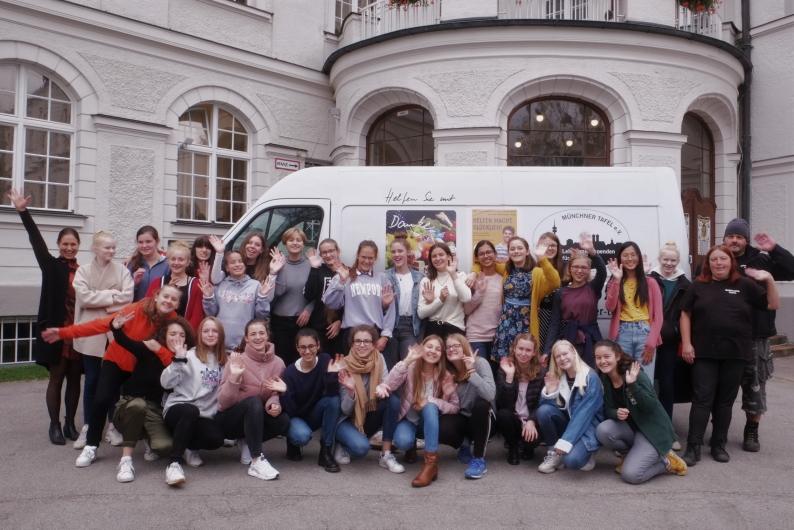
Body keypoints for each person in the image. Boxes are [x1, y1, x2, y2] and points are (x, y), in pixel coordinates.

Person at [41, 284, 181, 468]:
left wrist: (160, 351)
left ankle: (148, 438)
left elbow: (176, 352)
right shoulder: (135, 310)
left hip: (141, 369)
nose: (168, 301)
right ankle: (91, 445)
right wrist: (64, 332)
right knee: (102, 399)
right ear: (156, 296)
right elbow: (99, 325)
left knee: (147, 403)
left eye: (173, 299)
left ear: (177, 304)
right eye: (166, 296)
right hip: (116, 361)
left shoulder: (173, 321)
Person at [680, 245, 779, 465]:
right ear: (708, 263)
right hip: (704, 353)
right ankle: (693, 447)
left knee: (725, 402)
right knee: (702, 399)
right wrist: (686, 343)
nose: (719, 263)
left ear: (731, 262)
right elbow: (685, 314)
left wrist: (769, 280)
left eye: (723, 259)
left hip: (736, 353)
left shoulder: (745, 285)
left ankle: (719, 445)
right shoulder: (698, 285)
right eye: (714, 259)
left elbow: (773, 304)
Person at [8, 188, 83, 445]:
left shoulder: (84, 272)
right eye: (65, 244)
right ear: (59, 246)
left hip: (78, 334)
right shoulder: (51, 266)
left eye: (73, 244)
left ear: (78, 246)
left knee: (75, 380)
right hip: (56, 333)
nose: (69, 248)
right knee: (57, 378)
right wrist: (23, 212)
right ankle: (54, 425)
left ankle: (70, 424)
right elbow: (35, 240)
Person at [722, 219, 794, 452]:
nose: (734, 240)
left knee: (755, 387)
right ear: (724, 239)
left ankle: (751, 430)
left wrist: (774, 249)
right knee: (721, 387)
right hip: (724, 337)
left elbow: (792, 270)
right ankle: (719, 429)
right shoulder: (718, 258)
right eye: (731, 236)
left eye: (739, 237)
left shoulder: (761, 259)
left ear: (745, 240)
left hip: (755, 336)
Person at [108, 314, 194, 483]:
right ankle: (126, 461)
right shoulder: (150, 349)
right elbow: (126, 342)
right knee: (138, 406)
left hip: (154, 410)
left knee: (165, 447)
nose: (177, 338)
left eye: (181, 335)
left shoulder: (185, 359)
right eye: (172, 334)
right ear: (164, 335)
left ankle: (147, 437)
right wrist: (116, 328)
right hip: (130, 404)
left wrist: (179, 359)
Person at [72, 230, 135, 449]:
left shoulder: (122, 270)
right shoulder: (83, 271)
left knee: (114, 381)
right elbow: (83, 298)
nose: (112, 251)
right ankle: (89, 426)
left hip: (115, 332)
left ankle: (113, 426)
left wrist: (98, 295)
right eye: (107, 247)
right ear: (95, 248)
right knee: (92, 380)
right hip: (91, 332)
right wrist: (111, 295)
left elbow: (127, 297)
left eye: (113, 247)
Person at [594, 340, 688, 484]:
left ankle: (667, 462)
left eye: (606, 356)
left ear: (617, 356)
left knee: (631, 475)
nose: (602, 361)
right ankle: (628, 456)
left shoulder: (635, 374)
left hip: (652, 431)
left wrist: (632, 385)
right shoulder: (605, 377)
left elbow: (651, 406)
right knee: (603, 430)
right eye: (598, 357)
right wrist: (615, 413)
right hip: (633, 428)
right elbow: (608, 409)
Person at [378, 335, 460, 488]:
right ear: (422, 348)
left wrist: (433, 400)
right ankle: (411, 446)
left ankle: (430, 464)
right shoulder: (411, 368)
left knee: (430, 407)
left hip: (428, 423)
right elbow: (389, 384)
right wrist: (407, 361)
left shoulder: (445, 375)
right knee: (403, 441)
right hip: (408, 421)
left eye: (438, 349)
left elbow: (455, 407)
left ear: (441, 354)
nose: (433, 351)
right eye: (429, 347)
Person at [215, 319, 289, 481]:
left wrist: (274, 404)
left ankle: (248, 442)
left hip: (256, 418)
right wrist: (234, 377)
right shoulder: (236, 360)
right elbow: (223, 402)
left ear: (268, 336)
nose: (258, 337)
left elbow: (275, 392)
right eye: (253, 334)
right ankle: (256, 460)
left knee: (283, 421)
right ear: (246, 338)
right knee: (253, 402)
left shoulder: (278, 363)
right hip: (230, 419)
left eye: (261, 333)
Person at [160, 316, 227, 486]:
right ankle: (174, 464)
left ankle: (189, 446)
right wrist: (178, 360)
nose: (210, 334)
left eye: (214, 331)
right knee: (190, 411)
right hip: (178, 410)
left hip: (203, 415)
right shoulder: (189, 355)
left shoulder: (223, 361)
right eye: (206, 331)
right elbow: (166, 383)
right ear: (199, 334)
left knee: (216, 439)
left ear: (220, 335)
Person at [334, 325, 405, 473]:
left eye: (366, 341)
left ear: (373, 344)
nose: (362, 345)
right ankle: (341, 442)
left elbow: (386, 385)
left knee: (392, 401)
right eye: (358, 341)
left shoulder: (379, 359)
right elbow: (345, 410)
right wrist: (351, 391)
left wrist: (382, 389)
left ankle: (386, 455)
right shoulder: (343, 365)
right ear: (352, 343)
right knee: (361, 449)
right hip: (346, 419)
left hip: (367, 413)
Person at [536, 339, 603, 473]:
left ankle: (587, 453)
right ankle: (554, 454)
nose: (562, 358)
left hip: (588, 426)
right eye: (558, 356)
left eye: (565, 354)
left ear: (574, 352)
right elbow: (543, 412)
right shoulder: (558, 376)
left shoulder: (590, 377)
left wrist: (565, 442)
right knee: (544, 411)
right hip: (570, 423)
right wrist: (550, 391)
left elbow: (584, 414)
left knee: (572, 461)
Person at [281, 328, 343, 473]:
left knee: (333, 401)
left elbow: (332, 394)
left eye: (311, 346)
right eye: (303, 347)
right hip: (297, 415)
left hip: (315, 412)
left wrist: (331, 375)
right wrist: (285, 392)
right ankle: (292, 442)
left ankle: (326, 452)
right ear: (297, 348)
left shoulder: (325, 360)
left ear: (318, 346)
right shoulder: (290, 372)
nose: (307, 351)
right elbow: (291, 411)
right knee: (301, 436)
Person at [648, 242, 691, 444]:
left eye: (673, 260)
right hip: (648, 339)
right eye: (665, 259)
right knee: (646, 383)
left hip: (669, 341)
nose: (669, 263)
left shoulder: (685, 284)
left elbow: (686, 314)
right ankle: (645, 428)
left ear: (678, 261)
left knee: (667, 384)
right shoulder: (650, 279)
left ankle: (666, 428)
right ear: (659, 260)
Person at [322, 240, 396, 352]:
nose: (366, 261)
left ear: (375, 259)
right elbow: (330, 303)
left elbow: (391, 311)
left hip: (374, 334)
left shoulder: (382, 279)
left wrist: (385, 336)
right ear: (357, 256)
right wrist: (341, 282)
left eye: (370, 258)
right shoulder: (344, 275)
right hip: (351, 334)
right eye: (363, 257)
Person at [493, 237, 560, 360]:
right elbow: (484, 262)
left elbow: (555, 282)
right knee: (506, 362)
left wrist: (542, 259)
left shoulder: (537, 272)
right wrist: (474, 273)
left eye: (520, 248)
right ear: (508, 252)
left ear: (527, 251)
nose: (516, 251)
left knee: (526, 360)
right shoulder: (506, 270)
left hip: (526, 324)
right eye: (512, 249)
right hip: (506, 324)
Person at [545, 234, 607, 367]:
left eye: (584, 267)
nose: (579, 270)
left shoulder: (593, 288)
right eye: (575, 267)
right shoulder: (561, 293)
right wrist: (547, 351)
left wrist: (593, 252)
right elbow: (554, 324)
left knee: (590, 374)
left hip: (591, 340)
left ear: (589, 270)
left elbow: (602, 271)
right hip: (567, 340)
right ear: (570, 269)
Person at [439, 334, 495, 480]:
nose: (451, 349)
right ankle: (464, 445)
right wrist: (446, 395)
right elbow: (450, 407)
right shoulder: (448, 371)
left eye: (456, 345)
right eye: (448, 347)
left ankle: (478, 459)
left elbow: (490, 395)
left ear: (464, 346)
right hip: (463, 417)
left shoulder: (480, 363)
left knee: (481, 405)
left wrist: (471, 373)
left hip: (484, 418)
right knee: (442, 425)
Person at [605, 241, 663, 381]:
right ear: (620, 258)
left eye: (633, 255)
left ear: (639, 257)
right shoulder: (615, 281)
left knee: (645, 380)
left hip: (644, 333)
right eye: (625, 255)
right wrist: (617, 280)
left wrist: (651, 342)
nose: (630, 259)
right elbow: (610, 307)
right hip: (622, 333)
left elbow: (658, 316)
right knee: (623, 378)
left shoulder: (650, 282)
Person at [200, 250, 274, 350]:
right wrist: (208, 297)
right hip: (221, 344)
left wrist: (262, 297)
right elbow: (211, 313)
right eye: (233, 262)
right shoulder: (220, 285)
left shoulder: (255, 285)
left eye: (240, 261)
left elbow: (261, 316)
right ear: (227, 268)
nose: (237, 264)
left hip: (245, 344)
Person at [495, 333, 545, 465]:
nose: (523, 353)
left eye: (528, 350)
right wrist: (509, 377)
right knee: (503, 414)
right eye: (520, 348)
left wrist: (532, 420)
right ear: (514, 349)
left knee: (532, 441)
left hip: (531, 421)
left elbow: (542, 403)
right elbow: (502, 403)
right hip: (514, 419)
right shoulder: (504, 369)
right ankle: (513, 447)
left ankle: (528, 447)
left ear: (534, 353)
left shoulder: (541, 372)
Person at [269, 229, 315, 365]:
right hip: (280, 322)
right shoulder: (277, 263)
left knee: (301, 361)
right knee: (282, 362)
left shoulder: (310, 264)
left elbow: (317, 292)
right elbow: (278, 292)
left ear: (303, 243)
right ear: (285, 243)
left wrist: (309, 309)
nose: (295, 243)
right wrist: (280, 268)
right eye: (291, 240)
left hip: (302, 321)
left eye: (298, 240)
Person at [145, 240, 205, 330]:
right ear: (168, 261)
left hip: (183, 333)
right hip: (158, 332)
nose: (176, 263)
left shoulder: (196, 284)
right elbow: (147, 308)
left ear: (188, 262)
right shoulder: (158, 282)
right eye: (173, 259)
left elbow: (197, 316)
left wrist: (187, 334)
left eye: (181, 259)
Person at [417, 242, 472, 340]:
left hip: (455, 329)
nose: (438, 258)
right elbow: (421, 314)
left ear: (448, 257)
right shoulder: (426, 281)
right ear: (430, 260)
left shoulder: (460, 276)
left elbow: (466, 298)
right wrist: (440, 300)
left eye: (441, 254)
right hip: (433, 329)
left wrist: (453, 274)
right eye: (434, 256)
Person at [464, 240, 503, 374]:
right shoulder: (471, 279)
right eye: (481, 254)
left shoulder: (503, 279)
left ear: (495, 254)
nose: (486, 256)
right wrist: (479, 293)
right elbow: (466, 310)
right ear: (477, 258)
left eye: (489, 252)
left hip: (497, 337)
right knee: (482, 376)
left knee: (496, 376)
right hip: (476, 336)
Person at [385, 236, 424, 369]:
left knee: (410, 367)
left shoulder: (420, 277)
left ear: (408, 253)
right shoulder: (385, 276)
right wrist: (384, 304)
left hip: (410, 328)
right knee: (390, 368)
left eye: (400, 251)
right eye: (393, 252)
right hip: (390, 327)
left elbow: (423, 310)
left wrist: (420, 338)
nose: (397, 255)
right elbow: (378, 308)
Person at [303, 238, 345, 356]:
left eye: (331, 251)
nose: (328, 255)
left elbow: (351, 303)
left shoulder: (346, 270)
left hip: (339, 328)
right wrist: (314, 269)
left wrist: (340, 321)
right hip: (318, 327)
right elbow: (308, 295)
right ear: (320, 255)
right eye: (324, 252)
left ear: (338, 251)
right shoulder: (318, 270)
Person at [535, 232, 564, 352]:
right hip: (540, 318)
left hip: (560, 319)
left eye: (553, 245)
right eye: (546, 245)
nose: (550, 248)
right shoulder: (533, 268)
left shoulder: (566, 268)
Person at [127, 225, 169, 301]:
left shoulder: (167, 264)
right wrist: (134, 283)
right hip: (136, 307)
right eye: (140, 242)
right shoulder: (131, 264)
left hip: (159, 308)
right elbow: (124, 293)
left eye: (148, 241)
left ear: (157, 241)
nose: (144, 245)